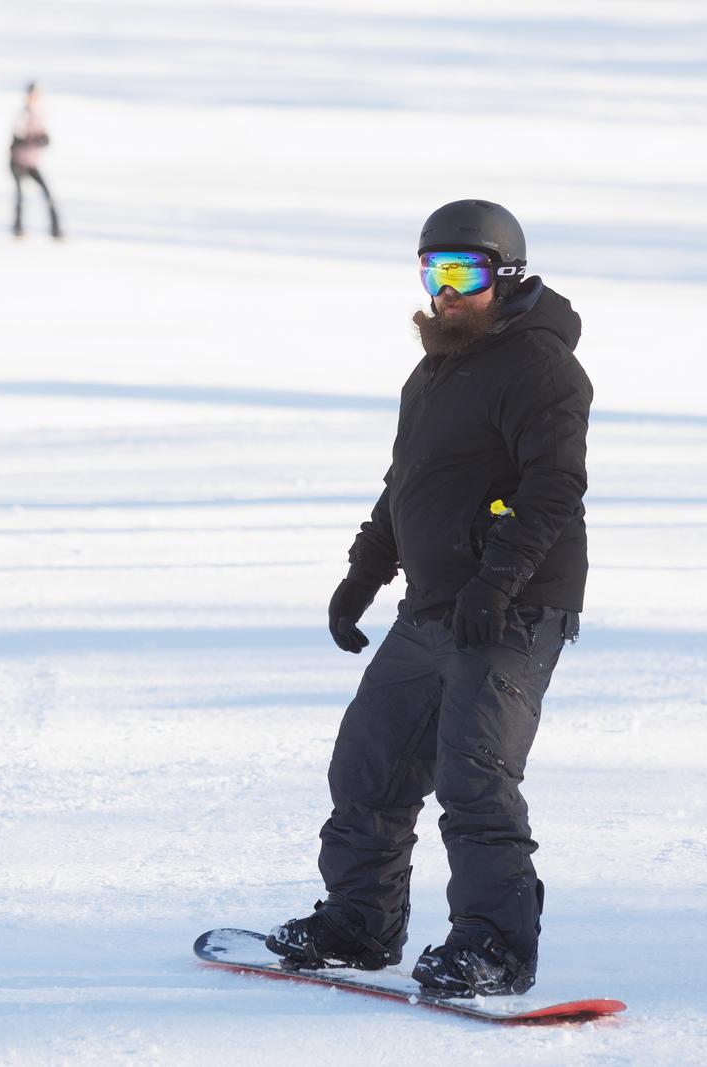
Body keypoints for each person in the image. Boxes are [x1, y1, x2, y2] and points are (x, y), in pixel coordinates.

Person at [265, 200, 592, 998]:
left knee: (474, 776)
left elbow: (553, 491)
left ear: (505, 276)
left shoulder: (543, 368)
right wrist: (363, 573)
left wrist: (496, 582)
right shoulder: (435, 370)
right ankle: (360, 920)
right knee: (369, 764)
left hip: (511, 608)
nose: (445, 290)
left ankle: (493, 944)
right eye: (433, 271)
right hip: (434, 604)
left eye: (464, 272)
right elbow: (405, 486)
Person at [9, 83, 62, 239]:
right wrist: (30, 139)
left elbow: (43, 137)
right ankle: (18, 230)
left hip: (31, 163)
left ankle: (56, 230)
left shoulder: (38, 114)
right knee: (20, 195)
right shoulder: (22, 114)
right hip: (18, 162)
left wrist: (43, 139)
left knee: (48, 194)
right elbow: (17, 137)